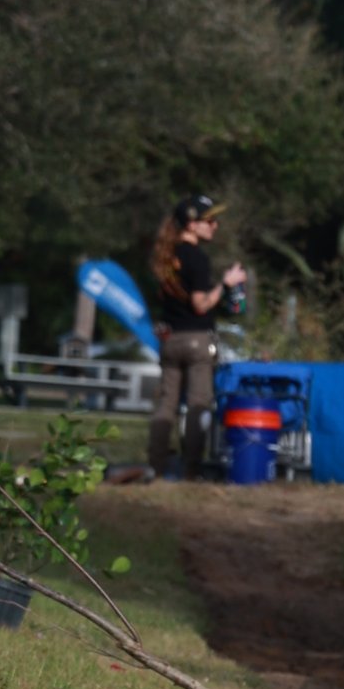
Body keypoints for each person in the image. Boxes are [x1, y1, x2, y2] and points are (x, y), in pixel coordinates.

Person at [146, 195, 234, 479]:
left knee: (167, 403)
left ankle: (156, 466)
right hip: (197, 341)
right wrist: (225, 285)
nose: (215, 226)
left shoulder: (165, 257)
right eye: (209, 221)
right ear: (192, 224)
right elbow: (200, 304)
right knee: (198, 404)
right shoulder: (196, 257)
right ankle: (191, 469)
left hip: (169, 340)